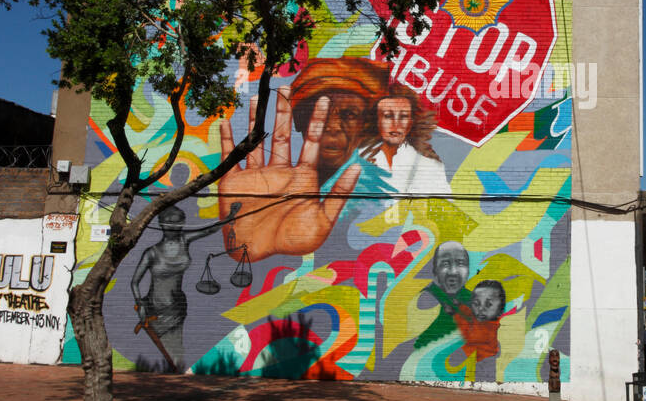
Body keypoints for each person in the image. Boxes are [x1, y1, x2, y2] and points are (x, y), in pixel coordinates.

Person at [218, 58, 389, 261]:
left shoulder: (375, 199)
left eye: (349, 114)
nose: (333, 126)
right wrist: (243, 239)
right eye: (321, 113)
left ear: (365, 127)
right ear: (300, 121)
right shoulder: (280, 186)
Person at [128, 204, 236, 371]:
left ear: (183, 223)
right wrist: (140, 304)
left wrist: (230, 217)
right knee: (168, 352)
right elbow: (134, 281)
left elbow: (208, 230)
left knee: (176, 352)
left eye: (178, 223)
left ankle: (174, 381)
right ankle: (170, 383)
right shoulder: (152, 253)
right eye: (169, 223)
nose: (173, 227)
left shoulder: (184, 240)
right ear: (161, 224)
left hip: (177, 308)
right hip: (155, 309)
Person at [360, 85, 451, 196]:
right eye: (388, 116)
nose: (396, 124)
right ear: (377, 120)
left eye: (403, 116)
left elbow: (445, 207)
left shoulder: (430, 167)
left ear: (411, 122)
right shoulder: (357, 160)